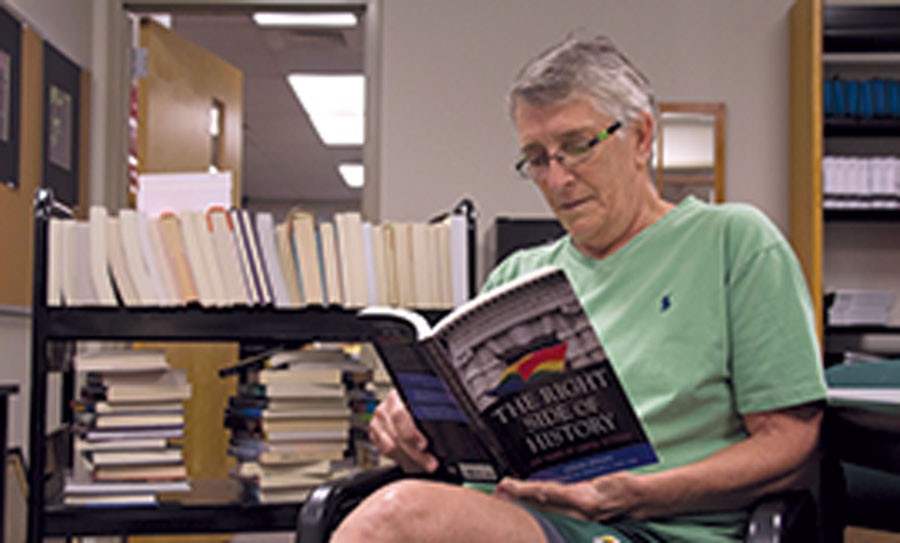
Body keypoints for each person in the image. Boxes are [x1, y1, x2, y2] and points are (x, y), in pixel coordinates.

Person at [332, 34, 827, 543]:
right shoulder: (518, 275)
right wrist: (410, 418)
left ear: (640, 137)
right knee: (391, 510)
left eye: (576, 147)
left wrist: (637, 493)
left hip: (648, 528)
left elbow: (791, 445)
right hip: (517, 514)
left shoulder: (732, 242)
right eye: (537, 158)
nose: (558, 178)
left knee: (398, 517)